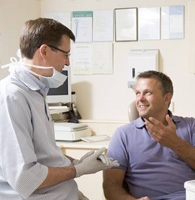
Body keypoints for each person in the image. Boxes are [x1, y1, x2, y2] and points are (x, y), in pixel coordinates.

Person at [0, 18, 118, 199]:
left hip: (63, 192)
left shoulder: (36, 91)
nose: (68, 63)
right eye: (66, 54)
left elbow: (44, 156)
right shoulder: (12, 97)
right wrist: (77, 170)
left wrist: (77, 162)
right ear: (44, 51)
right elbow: (26, 178)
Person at [103, 71, 195, 200]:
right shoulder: (123, 135)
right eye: (137, 93)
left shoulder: (191, 125)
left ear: (166, 98)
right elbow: (110, 186)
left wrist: (174, 142)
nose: (140, 98)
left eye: (148, 92)